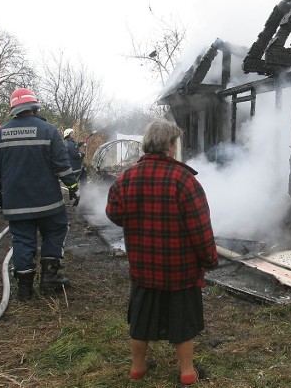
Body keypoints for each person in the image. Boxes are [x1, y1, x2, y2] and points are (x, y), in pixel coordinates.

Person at [105, 119, 218, 386]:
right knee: (182, 320)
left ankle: (138, 367)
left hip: (143, 268)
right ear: (170, 145)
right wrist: (209, 259)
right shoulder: (184, 180)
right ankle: (188, 372)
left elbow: (114, 212)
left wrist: (136, 220)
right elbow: (200, 228)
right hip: (181, 271)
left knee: (141, 316)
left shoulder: (127, 178)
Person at [0, 88, 79, 301]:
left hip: (16, 203)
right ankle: (49, 279)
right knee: (55, 232)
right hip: (48, 203)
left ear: (14, 109)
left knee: (21, 240)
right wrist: (73, 187)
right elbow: (62, 165)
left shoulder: (0, 135)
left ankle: (24, 289)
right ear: (35, 107)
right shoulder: (48, 131)